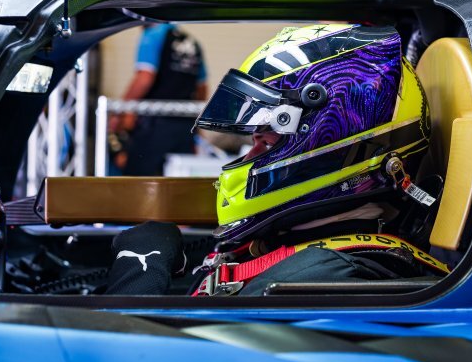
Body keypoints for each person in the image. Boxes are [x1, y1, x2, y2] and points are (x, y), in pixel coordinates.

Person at [106, 24, 450, 296]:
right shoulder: (293, 248)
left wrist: (139, 270)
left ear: (332, 139)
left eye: (266, 140)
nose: (250, 155)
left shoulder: (318, 280)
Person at [109, 23, 207, 176]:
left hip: (154, 124)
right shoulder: (193, 42)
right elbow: (202, 88)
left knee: (137, 183)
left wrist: (120, 110)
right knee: (180, 185)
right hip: (185, 126)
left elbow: (144, 78)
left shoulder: (153, 35)